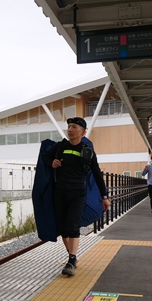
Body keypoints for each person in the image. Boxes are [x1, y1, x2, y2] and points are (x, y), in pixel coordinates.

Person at [44, 117, 110, 276]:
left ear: (83, 131)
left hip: (78, 193)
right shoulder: (60, 147)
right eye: (69, 126)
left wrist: (104, 196)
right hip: (59, 192)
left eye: (74, 127)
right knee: (63, 228)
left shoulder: (87, 151)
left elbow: (97, 173)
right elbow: (45, 158)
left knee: (73, 225)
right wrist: (51, 162)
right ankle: (71, 256)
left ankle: (72, 260)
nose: (70, 129)